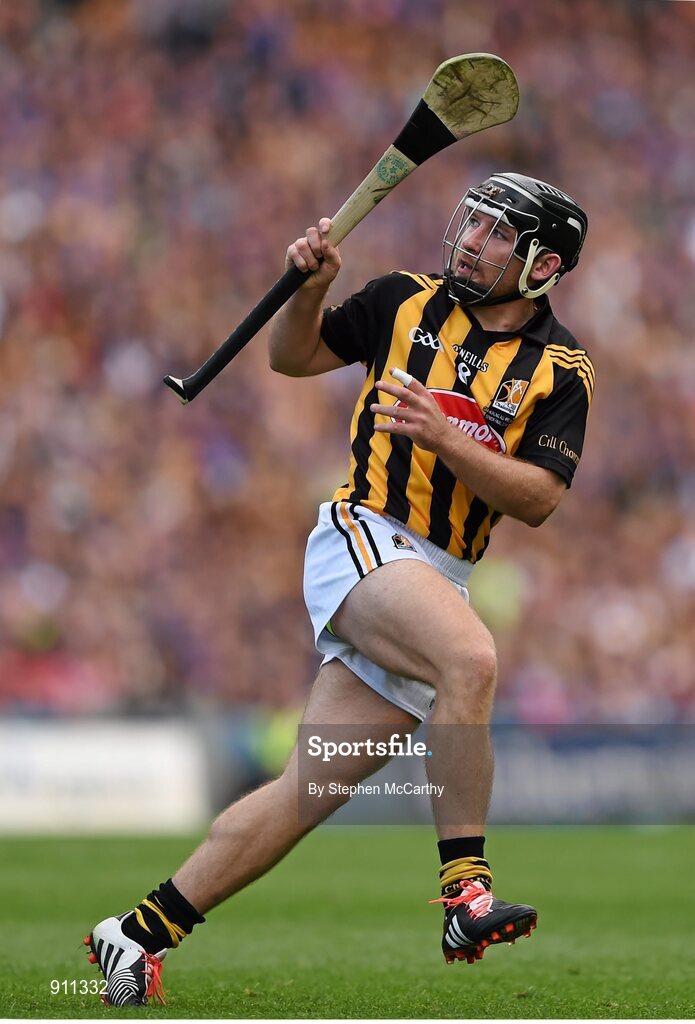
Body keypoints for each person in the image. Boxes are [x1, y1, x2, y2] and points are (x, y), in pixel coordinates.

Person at [84, 172, 594, 1006]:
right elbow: (294, 358)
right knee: (469, 659)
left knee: (306, 791)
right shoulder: (402, 300)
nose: (469, 241)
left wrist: (443, 436)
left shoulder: (561, 370)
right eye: (471, 224)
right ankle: (465, 891)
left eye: (497, 235)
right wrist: (309, 291)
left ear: (542, 266)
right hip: (364, 534)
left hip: (441, 574)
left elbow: (536, 499)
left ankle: (135, 935)